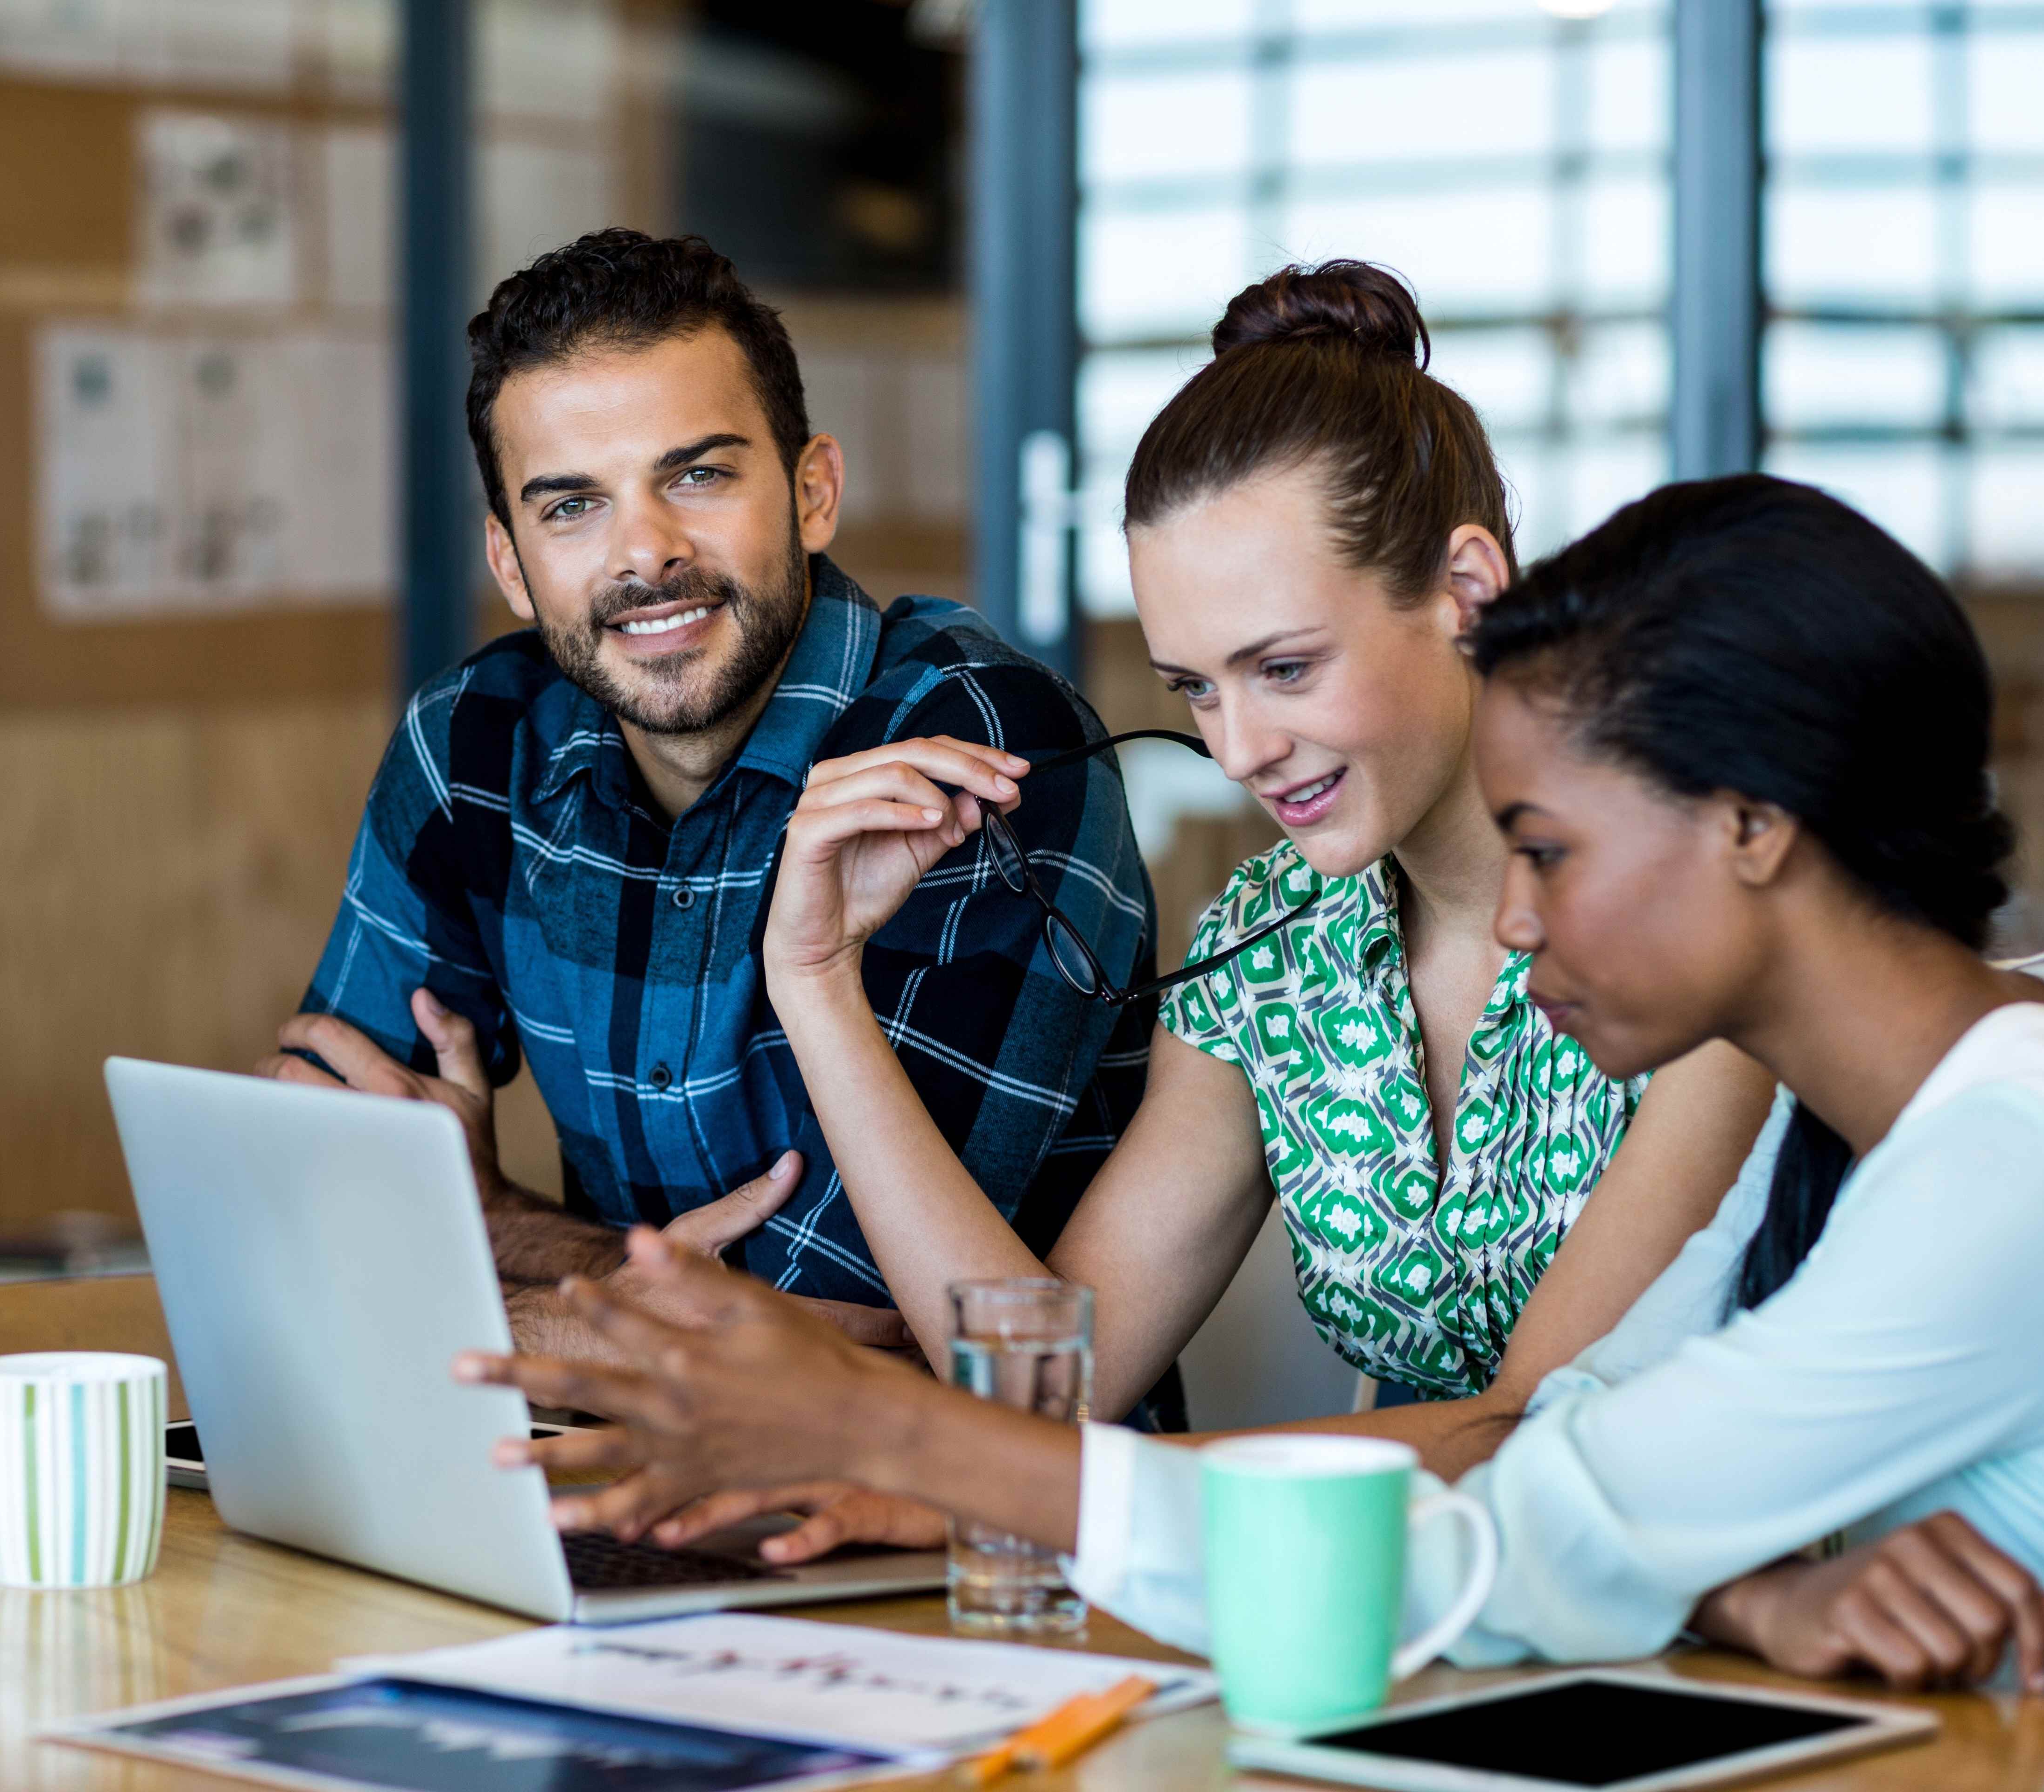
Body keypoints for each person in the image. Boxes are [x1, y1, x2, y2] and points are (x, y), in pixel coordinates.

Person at [459, 473, 2044, 1696]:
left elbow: (1513, 1533)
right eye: (1195, 691)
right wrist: (1739, 1586)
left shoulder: (2020, 1158)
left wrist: (900, 1434)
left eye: (1553, 853)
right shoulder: (1845, 1128)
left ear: (1753, 825)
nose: (1518, 921)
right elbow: (1568, 1458)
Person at [540, 261, 1773, 1551]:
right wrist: (815, 978)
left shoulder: (1695, 913)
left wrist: (1004, 1478)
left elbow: (1533, 1431)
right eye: (1194, 689)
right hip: (1396, 1620)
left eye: (1285, 668)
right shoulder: (1275, 945)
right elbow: (1042, 1374)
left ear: (1468, 591)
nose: (1239, 750)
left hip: (1722, 1644)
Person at [269, 228, 1158, 1368]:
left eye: (697, 475)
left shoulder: (975, 751)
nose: (645, 553)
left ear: (813, 491)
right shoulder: (474, 745)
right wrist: (553, 1260)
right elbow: (318, 1184)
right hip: (596, 1472)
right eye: (571, 507)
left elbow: (874, 1333)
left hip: (961, 1527)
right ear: (511, 564)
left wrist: (501, 1259)